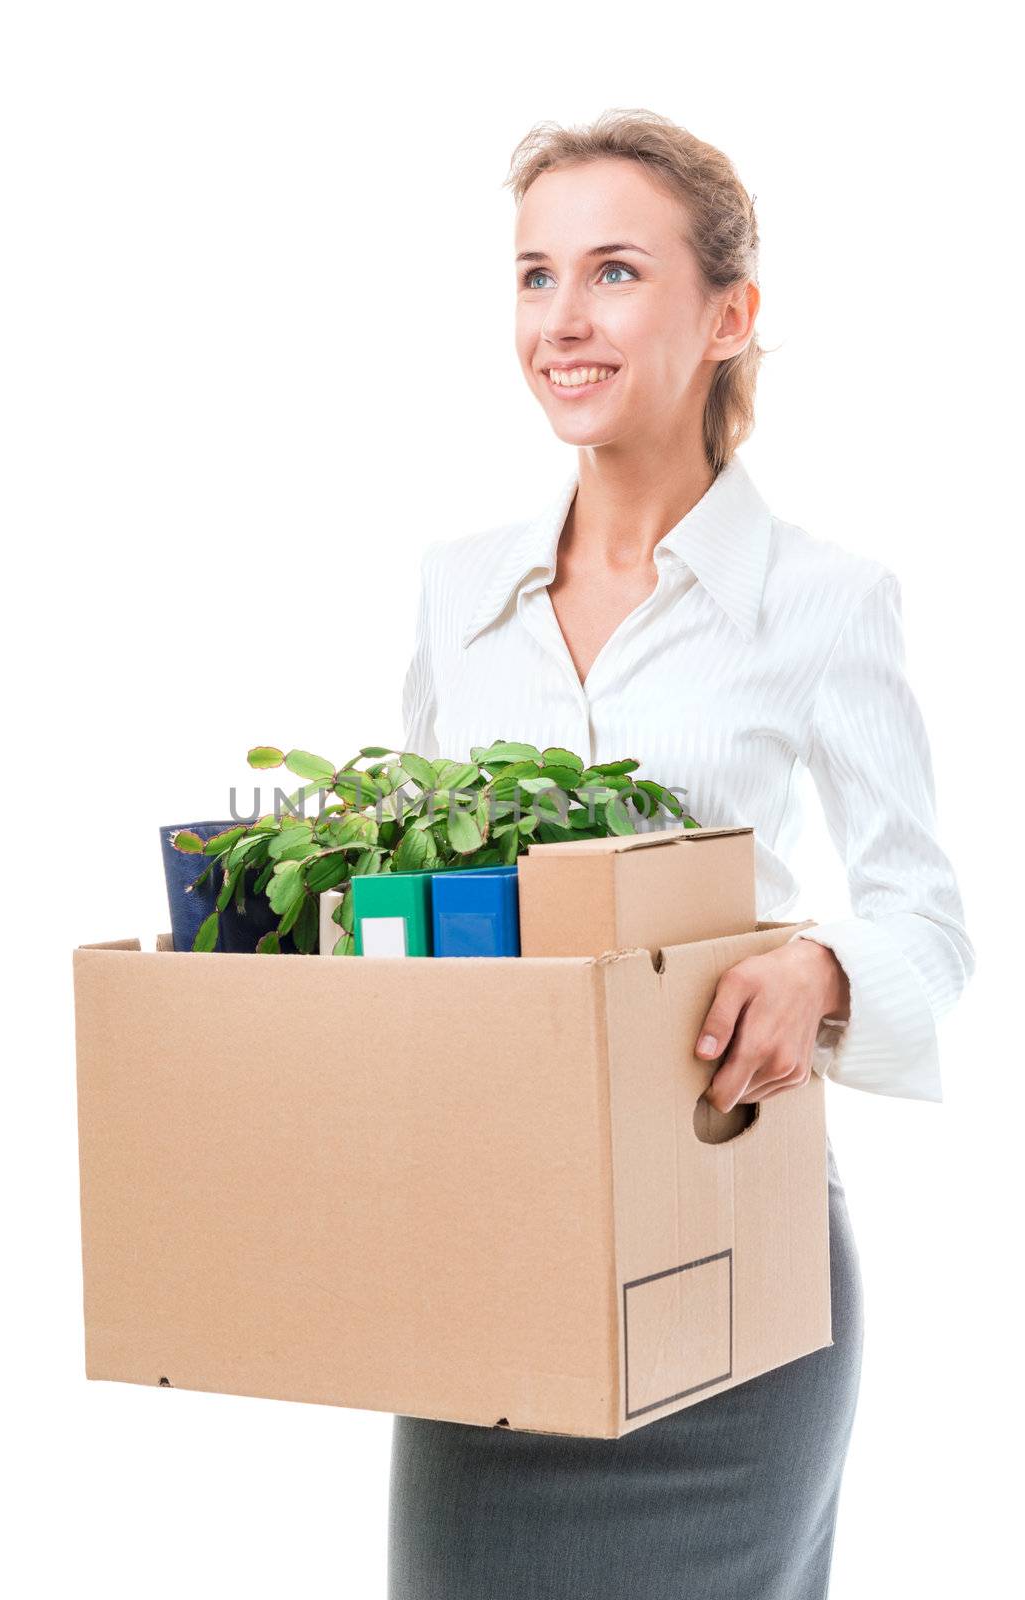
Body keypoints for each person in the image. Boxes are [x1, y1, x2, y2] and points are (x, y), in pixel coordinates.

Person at [386, 109, 976, 1600]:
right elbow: (402, 890)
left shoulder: (827, 603)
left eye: (613, 273)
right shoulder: (459, 595)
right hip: (482, 1256)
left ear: (730, 314)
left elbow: (927, 911)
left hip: (730, 1246)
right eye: (533, 276)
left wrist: (821, 966)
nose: (562, 322)